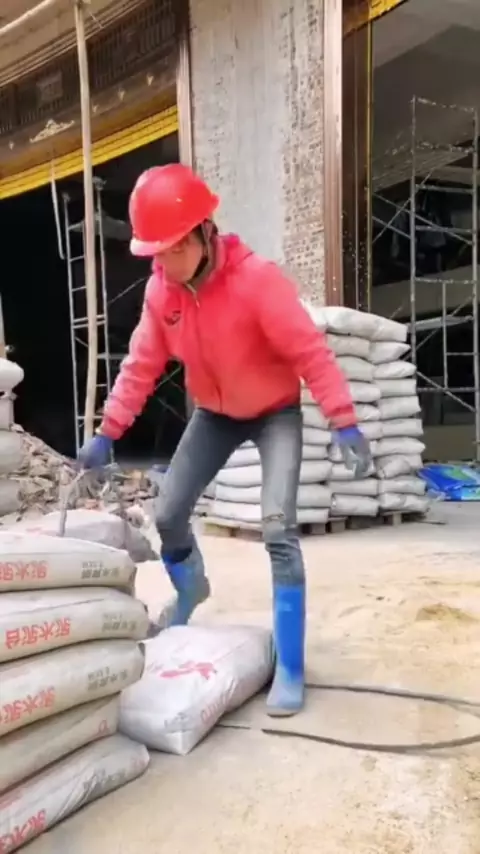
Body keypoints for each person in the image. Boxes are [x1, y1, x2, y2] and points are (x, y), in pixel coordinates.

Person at [78, 163, 371, 718]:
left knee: (278, 528)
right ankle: (192, 590)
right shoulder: (161, 292)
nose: (163, 264)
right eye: (156, 254)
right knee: (169, 513)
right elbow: (140, 367)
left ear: (203, 234)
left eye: (171, 250)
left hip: (275, 413)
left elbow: (311, 353)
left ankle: (290, 666)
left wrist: (344, 420)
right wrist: (106, 433)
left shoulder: (257, 281)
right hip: (215, 415)